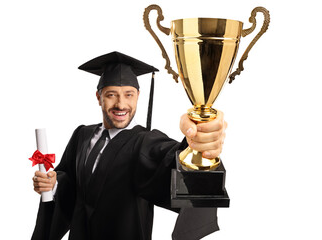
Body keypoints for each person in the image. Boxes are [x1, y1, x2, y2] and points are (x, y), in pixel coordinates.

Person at [31, 51, 227, 240]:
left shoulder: (144, 142)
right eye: (111, 95)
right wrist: (53, 185)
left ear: (138, 96)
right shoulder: (82, 135)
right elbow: (72, 184)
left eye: (129, 94)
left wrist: (198, 143)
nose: (121, 104)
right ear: (98, 97)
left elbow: (173, 159)